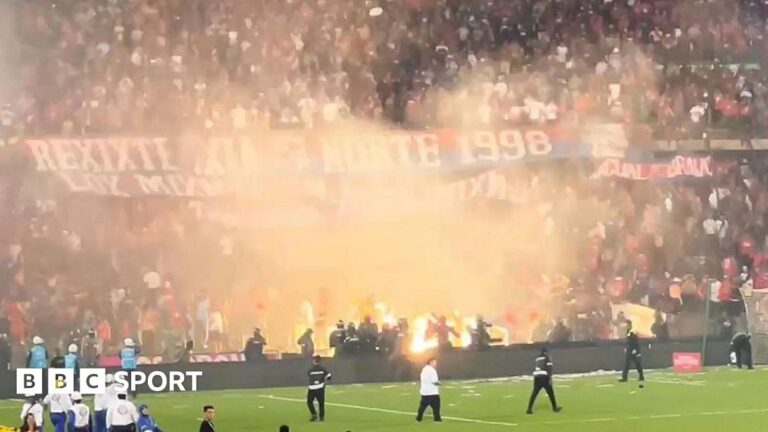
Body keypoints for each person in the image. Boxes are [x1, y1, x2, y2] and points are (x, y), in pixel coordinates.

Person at [526, 348, 562, 414]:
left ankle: (529, 409)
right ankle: (555, 408)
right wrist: (550, 378)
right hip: (544, 377)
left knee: (534, 393)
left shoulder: (537, 358)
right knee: (550, 393)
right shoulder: (547, 358)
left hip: (537, 376)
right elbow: (549, 368)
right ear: (545, 352)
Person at [619, 320, 645, 387]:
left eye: (627, 325)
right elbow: (628, 341)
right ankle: (624, 378)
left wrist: (635, 350)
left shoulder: (633, 332)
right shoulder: (627, 332)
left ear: (630, 325)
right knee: (627, 364)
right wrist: (626, 347)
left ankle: (641, 376)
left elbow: (635, 341)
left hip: (634, 350)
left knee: (637, 364)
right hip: (629, 350)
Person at [306, 355, 332, 422]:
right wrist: (325, 380)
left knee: (309, 402)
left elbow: (308, 377)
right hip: (320, 387)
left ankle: (314, 414)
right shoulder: (322, 368)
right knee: (321, 403)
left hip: (312, 388)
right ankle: (321, 417)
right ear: (320, 361)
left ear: (314, 361)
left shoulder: (311, 369)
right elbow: (329, 376)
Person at [416, 358, 442, 422]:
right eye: (434, 362)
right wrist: (439, 383)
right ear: (430, 362)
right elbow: (434, 381)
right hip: (432, 392)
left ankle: (419, 418)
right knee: (436, 406)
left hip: (424, 392)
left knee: (423, 406)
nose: (435, 364)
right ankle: (437, 419)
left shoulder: (424, 369)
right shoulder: (432, 370)